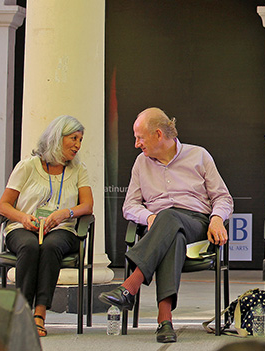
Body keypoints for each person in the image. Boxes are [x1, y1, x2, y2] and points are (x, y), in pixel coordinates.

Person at [98, 107, 233, 343]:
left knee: (169, 218)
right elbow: (129, 206)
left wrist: (217, 218)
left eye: (140, 137)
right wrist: (149, 218)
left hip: (196, 223)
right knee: (171, 232)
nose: (136, 144)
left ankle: (130, 285)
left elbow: (222, 197)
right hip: (164, 227)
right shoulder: (141, 163)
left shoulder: (199, 155)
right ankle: (165, 321)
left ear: (158, 134)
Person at [0, 115, 93, 337]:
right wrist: (22, 218)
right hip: (24, 227)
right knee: (30, 247)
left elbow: (87, 205)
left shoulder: (79, 169)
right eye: (73, 138)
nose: (78, 145)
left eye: (80, 140)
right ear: (57, 138)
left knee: (50, 247)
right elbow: (4, 205)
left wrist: (64, 213)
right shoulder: (28, 166)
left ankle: (39, 314)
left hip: (62, 230)